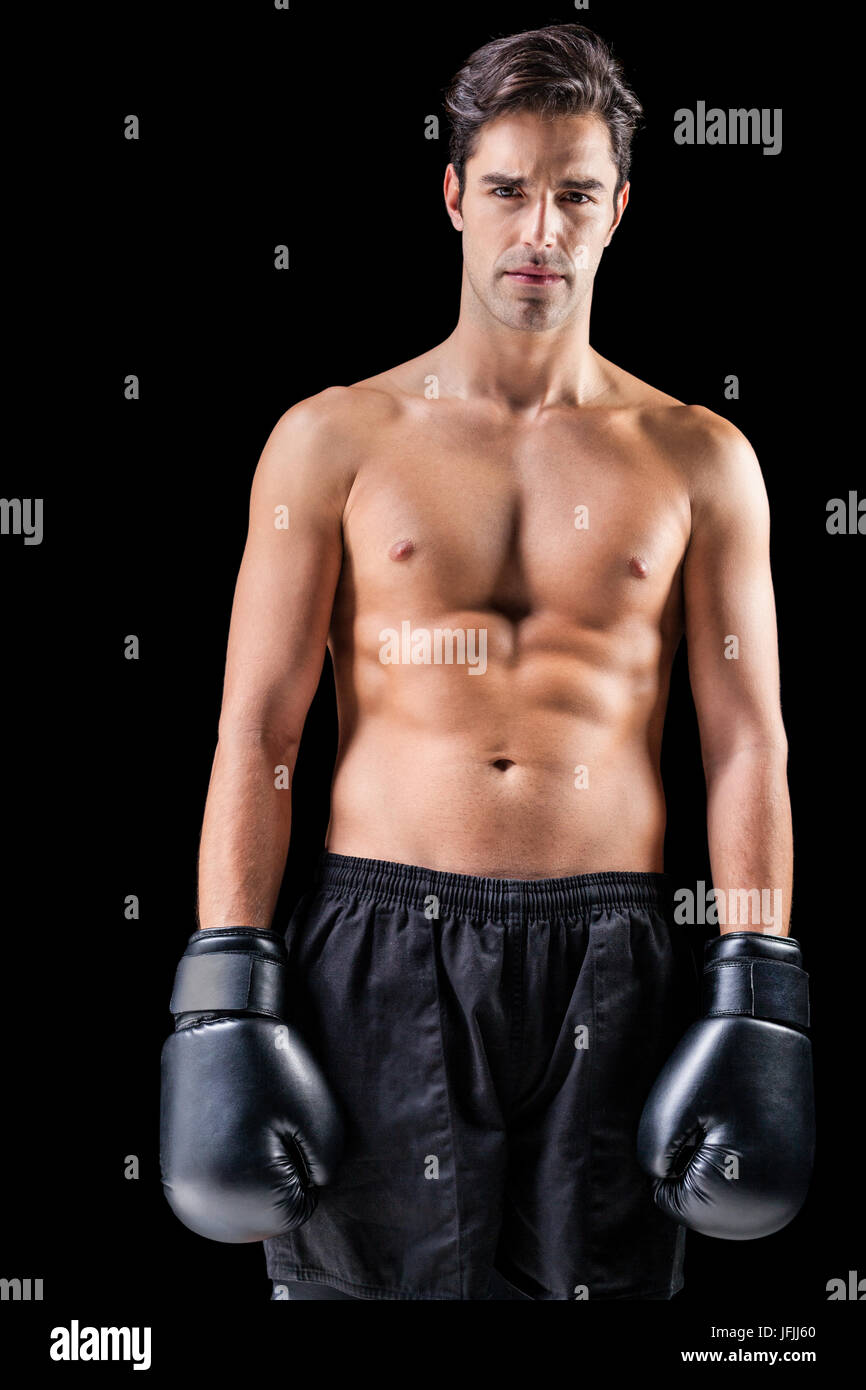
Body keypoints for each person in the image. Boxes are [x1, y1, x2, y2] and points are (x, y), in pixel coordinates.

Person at [160, 23, 814, 1301]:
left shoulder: (697, 458)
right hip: (378, 942)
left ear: (616, 209)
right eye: (508, 188)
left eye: (574, 194)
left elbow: (745, 740)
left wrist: (757, 978)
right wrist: (224, 981)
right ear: (456, 195)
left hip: (613, 954)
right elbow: (259, 734)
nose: (539, 229)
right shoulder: (329, 439)